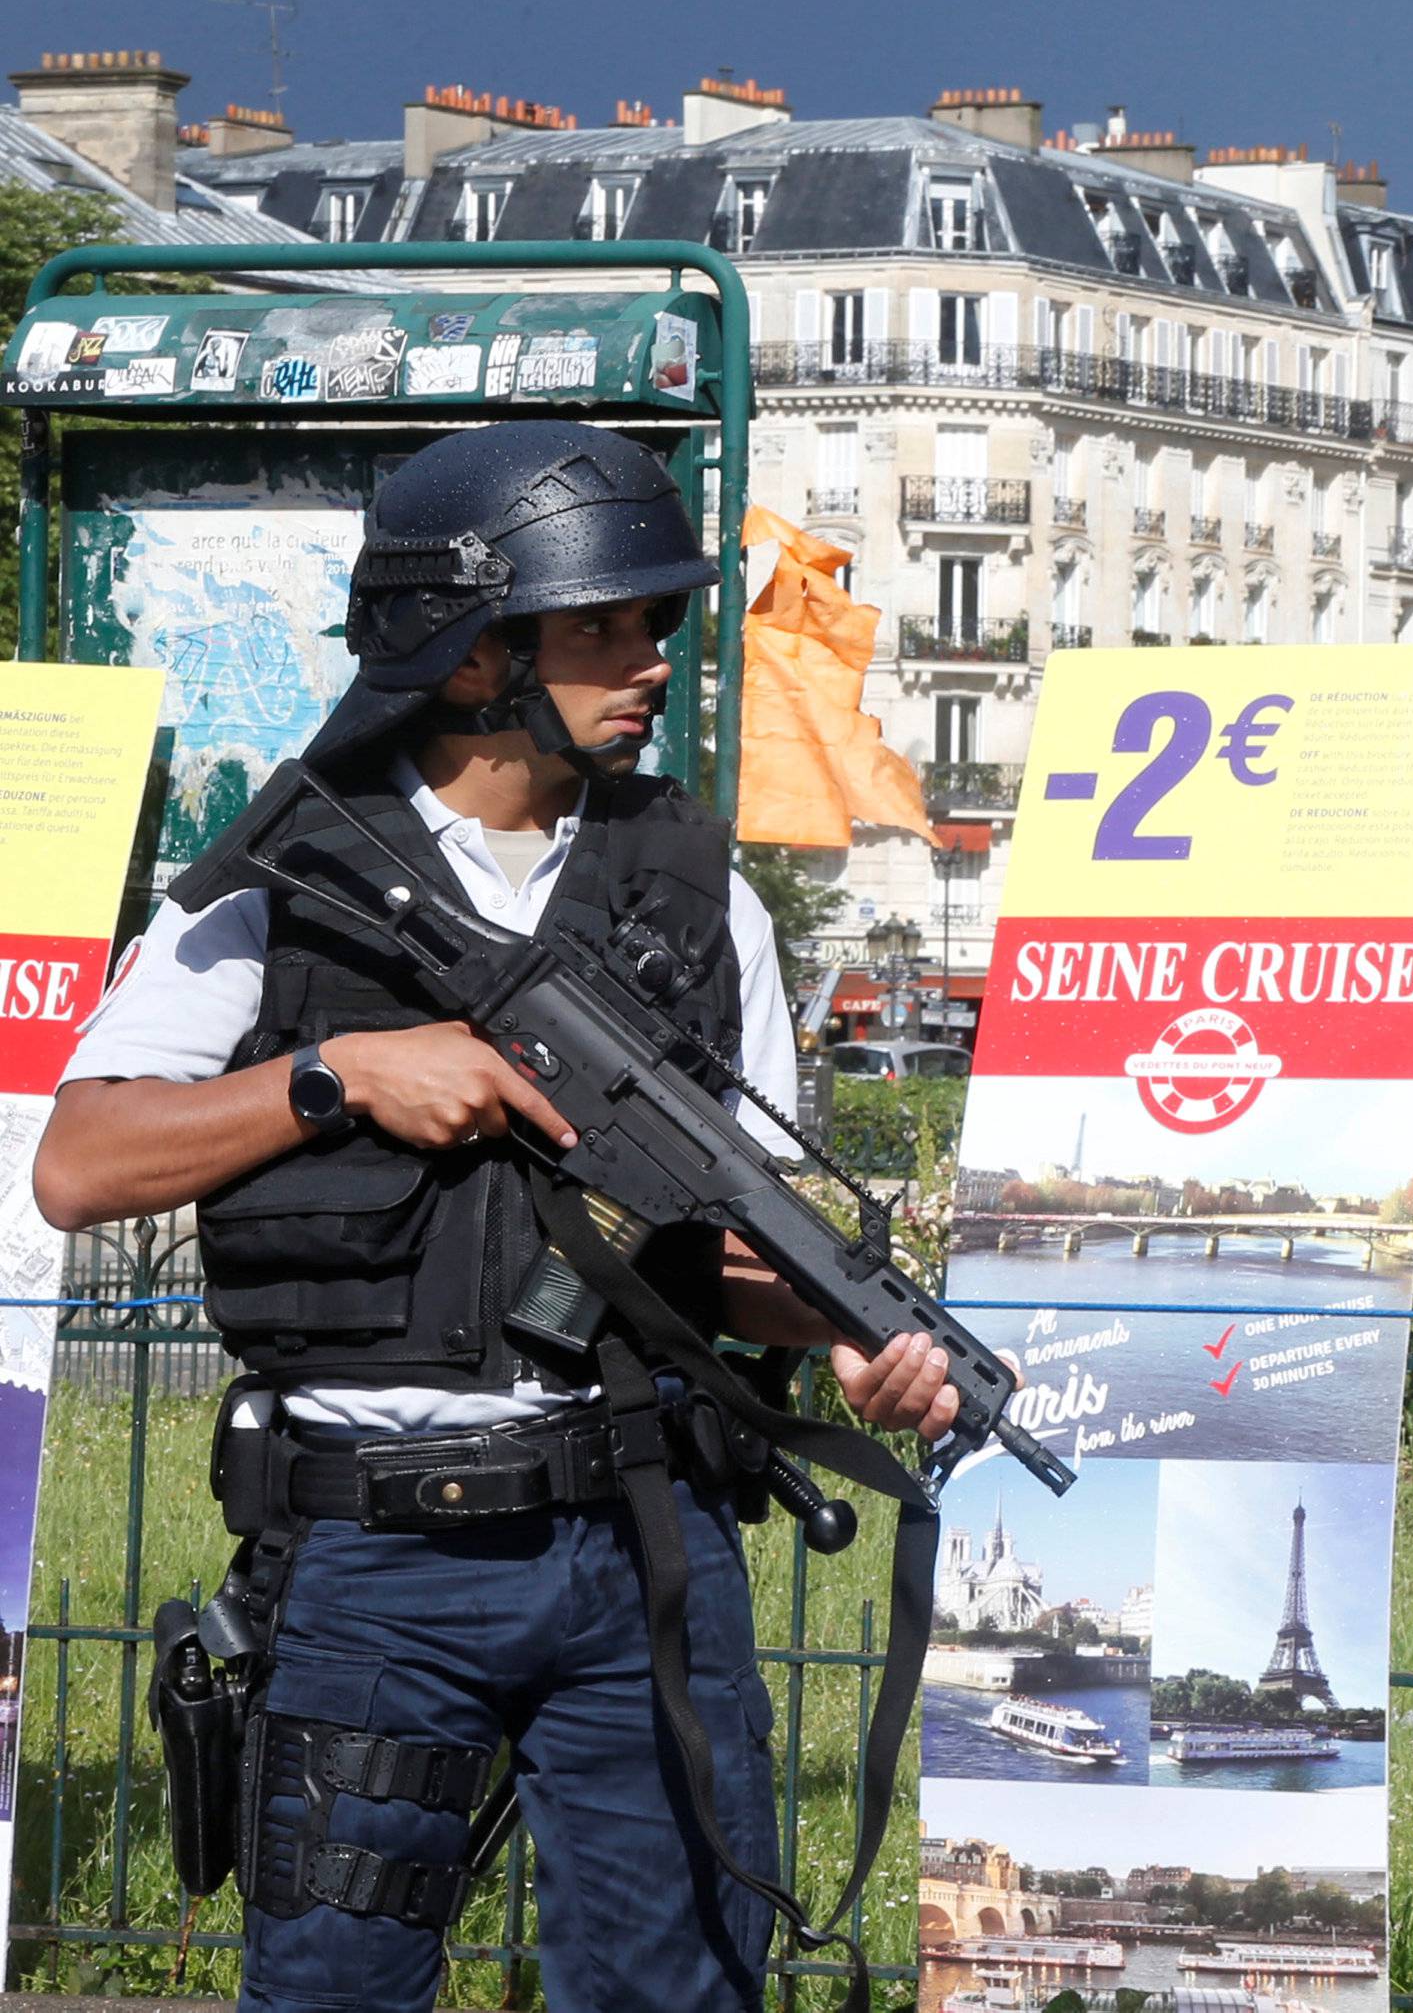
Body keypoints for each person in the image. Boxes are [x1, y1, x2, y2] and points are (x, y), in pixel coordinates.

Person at [33, 420, 959, 2013]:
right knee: (334, 1992)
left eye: (661, 623)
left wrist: (864, 1332)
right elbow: (81, 1162)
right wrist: (335, 1076)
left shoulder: (694, 882)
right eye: (604, 624)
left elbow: (739, 1248)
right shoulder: (290, 874)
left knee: (678, 1989)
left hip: (639, 1544)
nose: (652, 660)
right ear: (471, 655)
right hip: (376, 1560)